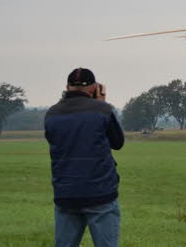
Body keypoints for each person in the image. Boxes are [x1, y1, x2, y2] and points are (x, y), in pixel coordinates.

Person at [44, 68, 124, 247]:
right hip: (100, 192)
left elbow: (53, 139)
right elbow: (117, 142)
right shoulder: (102, 110)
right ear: (94, 87)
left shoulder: (52, 113)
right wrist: (102, 103)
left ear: (67, 86)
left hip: (66, 193)